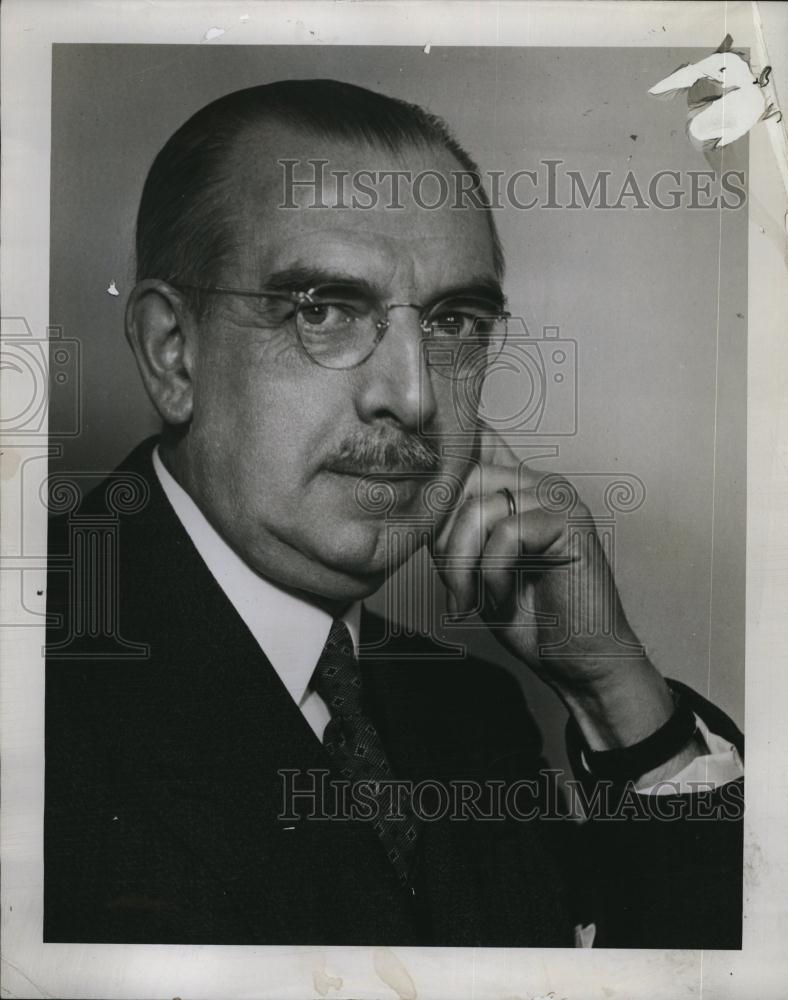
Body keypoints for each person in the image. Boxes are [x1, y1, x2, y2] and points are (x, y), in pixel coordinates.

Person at [44, 79, 744, 948]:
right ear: (172, 352)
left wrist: (612, 691)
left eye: (455, 320)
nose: (413, 396)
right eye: (324, 310)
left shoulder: (471, 709)